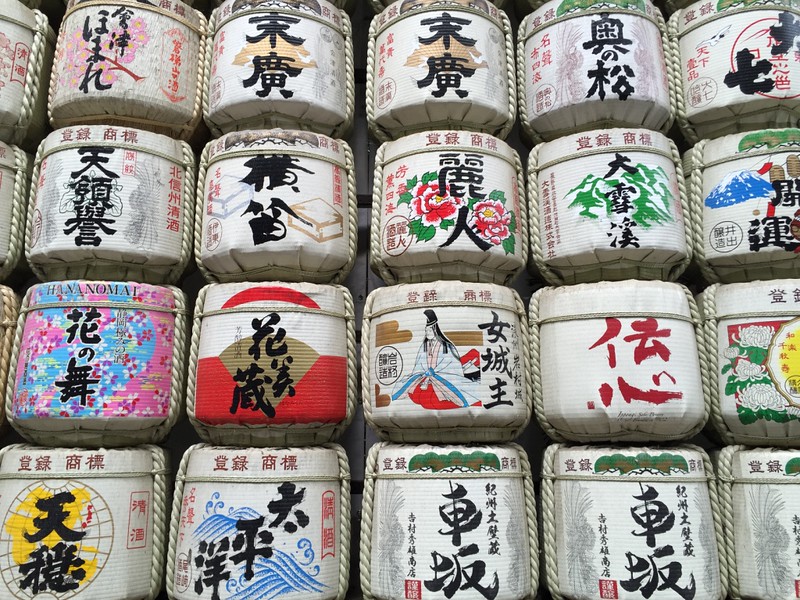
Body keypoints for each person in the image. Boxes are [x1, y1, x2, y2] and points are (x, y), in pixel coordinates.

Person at [391, 309, 480, 409]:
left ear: (435, 330)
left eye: (429, 330)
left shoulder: (446, 346)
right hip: (426, 377)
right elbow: (419, 364)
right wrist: (424, 373)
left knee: (433, 397)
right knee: (416, 393)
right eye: (426, 331)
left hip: (442, 378)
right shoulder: (424, 346)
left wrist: (433, 373)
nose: (427, 333)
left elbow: (450, 364)